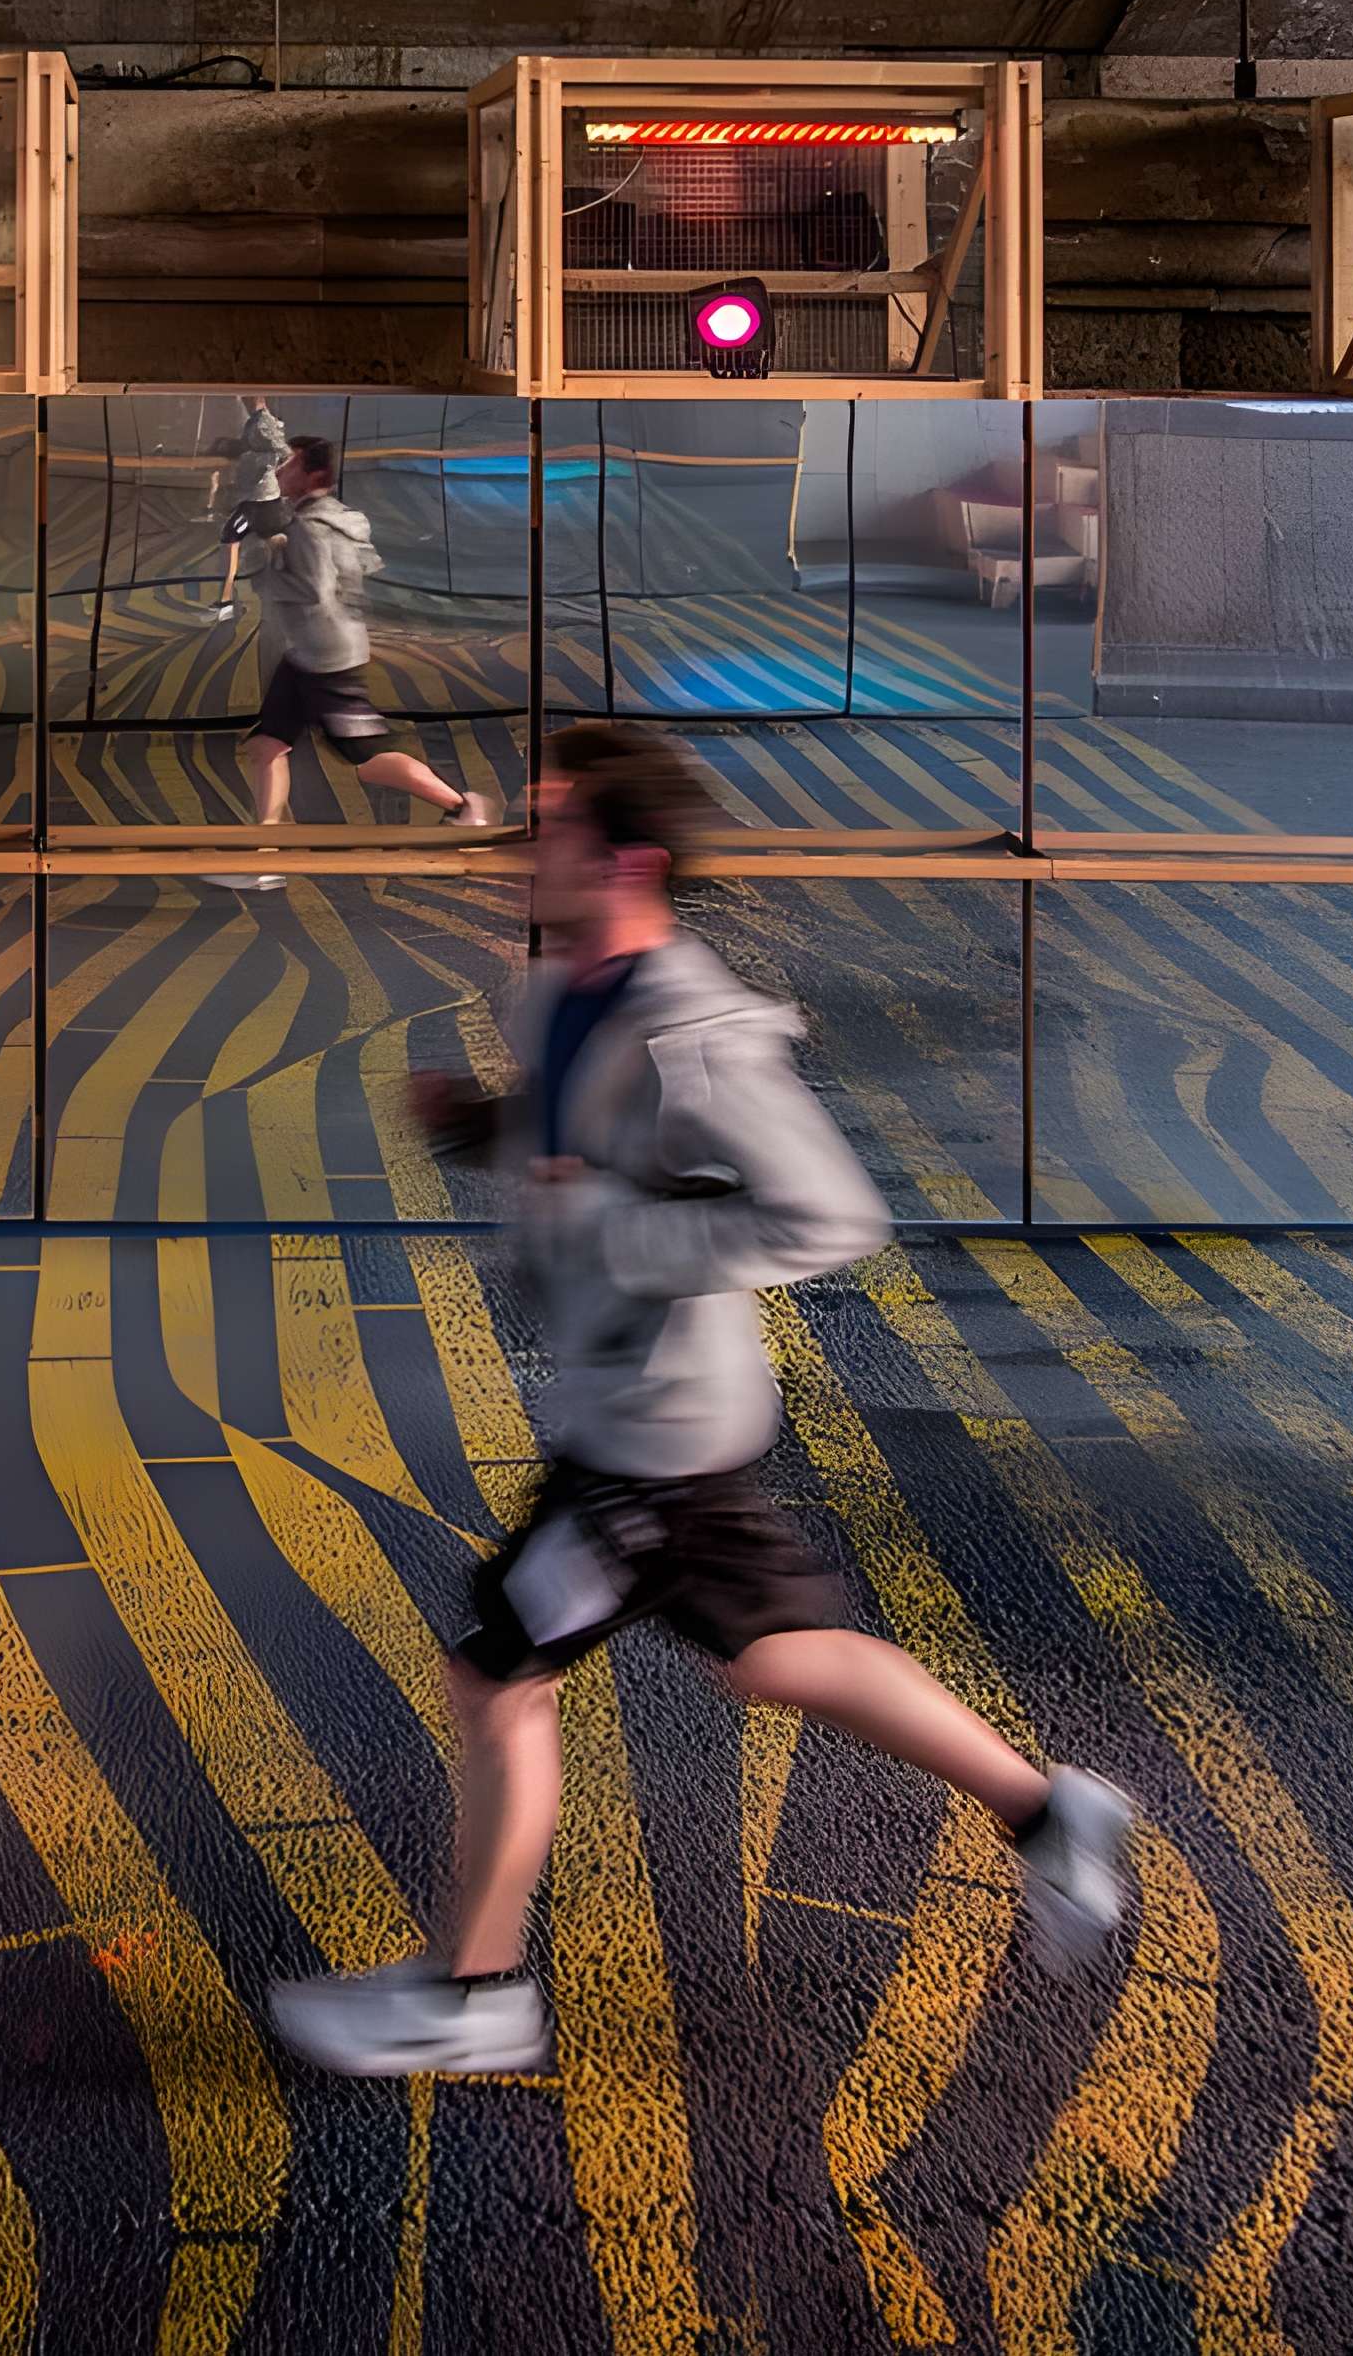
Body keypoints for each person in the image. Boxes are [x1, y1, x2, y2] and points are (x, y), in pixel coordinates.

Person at [270, 723, 1134, 2077]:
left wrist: (618, 1227)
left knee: (495, 1676)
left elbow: (829, 1214)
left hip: (650, 1437)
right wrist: (481, 1130)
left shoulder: (701, 1037)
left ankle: (474, 1992)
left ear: (628, 862)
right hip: (646, 1417)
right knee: (769, 1654)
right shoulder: (560, 994)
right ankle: (1048, 1810)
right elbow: (585, 1142)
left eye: (548, 829)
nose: (520, 848)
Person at [207, 433, 498, 892]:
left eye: (291, 467)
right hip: (312, 652)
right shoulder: (344, 519)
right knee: (268, 745)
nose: (281, 473)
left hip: (323, 659)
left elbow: (312, 593)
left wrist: (271, 561)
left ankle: (464, 809)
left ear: (313, 476)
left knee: (366, 756)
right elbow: (366, 565)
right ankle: (263, 854)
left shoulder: (309, 528)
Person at [206, 395, 290, 619]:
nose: (242, 398)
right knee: (261, 541)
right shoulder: (258, 420)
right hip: (259, 498)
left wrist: (263, 464)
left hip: (258, 500)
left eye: (245, 395)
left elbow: (282, 452)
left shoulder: (263, 421)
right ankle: (229, 601)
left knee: (230, 539)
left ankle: (226, 602)